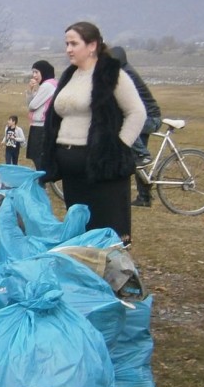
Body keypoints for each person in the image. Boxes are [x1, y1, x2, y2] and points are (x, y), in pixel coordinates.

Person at [40, 22, 146, 244]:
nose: (68, 49)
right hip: (72, 173)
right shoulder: (70, 76)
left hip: (101, 172)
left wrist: (116, 148)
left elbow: (137, 113)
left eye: (74, 44)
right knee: (80, 232)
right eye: (66, 44)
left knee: (105, 232)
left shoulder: (111, 75)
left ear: (92, 46)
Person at [108, 46, 162, 207]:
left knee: (126, 128)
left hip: (150, 118)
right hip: (147, 117)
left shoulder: (125, 75)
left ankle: (144, 155)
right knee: (137, 161)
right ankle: (144, 198)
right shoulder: (123, 71)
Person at [26, 59, 58, 172]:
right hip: (42, 125)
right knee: (38, 157)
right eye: (33, 72)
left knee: (38, 157)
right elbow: (31, 102)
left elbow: (32, 105)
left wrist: (32, 93)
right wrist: (31, 90)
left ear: (43, 72)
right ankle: (42, 181)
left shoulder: (47, 86)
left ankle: (42, 183)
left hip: (41, 126)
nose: (34, 75)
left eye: (36, 72)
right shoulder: (49, 84)